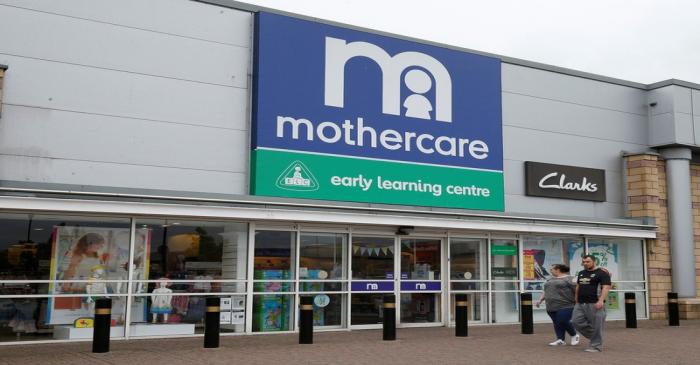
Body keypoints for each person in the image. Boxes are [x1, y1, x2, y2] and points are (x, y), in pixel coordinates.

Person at [572, 254, 612, 353]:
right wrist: (576, 299)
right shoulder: (581, 273)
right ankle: (596, 336)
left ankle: (596, 346)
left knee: (597, 325)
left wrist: (601, 300)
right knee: (576, 321)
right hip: (581, 303)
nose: (585, 263)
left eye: (588, 262)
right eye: (584, 262)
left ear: (594, 262)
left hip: (595, 303)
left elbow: (606, 287)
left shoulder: (602, 273)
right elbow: (578, 286)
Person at [535, 264, 580, 346]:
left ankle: (574, 335)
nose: (550, 271)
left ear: (558, 269)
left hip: (566, 304)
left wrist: (577, 301)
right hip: (551, 305)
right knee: (557, 323)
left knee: (562, 320)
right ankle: (560, 340)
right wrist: (540, 300)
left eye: (552, 269)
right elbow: (546, 291)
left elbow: (577, 290)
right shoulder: (550, 279)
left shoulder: (570, 278)